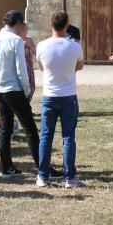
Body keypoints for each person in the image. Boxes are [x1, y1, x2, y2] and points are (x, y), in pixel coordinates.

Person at [0, 10, 62, 179]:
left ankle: (6, 168)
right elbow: (21, 69)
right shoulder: (16, 40)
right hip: (14, 88)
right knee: (30, 129)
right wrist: (27, 89)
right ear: (17, 24)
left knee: (5, 130)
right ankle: (43, 168)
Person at [36, 11, 84, 189]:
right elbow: (79, 66)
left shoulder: (42, 46)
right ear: (67, 25)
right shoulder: (74, 46)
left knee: (46, 137)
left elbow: (41, 67)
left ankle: (42, 176)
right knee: (68, 137)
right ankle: (70, 178)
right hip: (68, 96)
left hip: (49, 96)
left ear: (51, 25)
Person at [19, 22, 37, 101]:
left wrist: (29, 46)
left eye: (26, 29)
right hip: (22, 66)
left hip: (29, 66)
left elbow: (35, 51)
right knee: (22, 86)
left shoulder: (30, 39)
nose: (26, 30)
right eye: (24, 29)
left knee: (32, 85)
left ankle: (28, 103)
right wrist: (22, 45)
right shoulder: (17, 40)